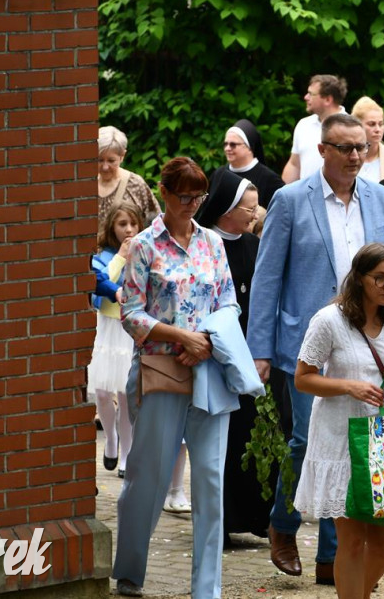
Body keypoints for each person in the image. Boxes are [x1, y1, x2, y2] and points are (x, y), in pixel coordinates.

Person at [247, 113, 384, 584]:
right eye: (344, 147)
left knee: (360, 447)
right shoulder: (289, 200)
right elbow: (267, 277)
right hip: (310, 336)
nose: (355, 156)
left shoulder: (382, 198)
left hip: (373, 338)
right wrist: (259, 349)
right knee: (308, 440)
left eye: (361, 147)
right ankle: (283, 525)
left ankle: (331, 557)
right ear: (322, 150)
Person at [112, 157, 237, 598]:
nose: (191, 204)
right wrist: (181, 336)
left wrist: (203, 339)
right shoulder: (144, 246)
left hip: (208, 371)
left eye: (198, 196)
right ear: (163, 192)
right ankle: (129, 571)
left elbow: (228, 304)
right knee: (147, 477)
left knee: (209, 479)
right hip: (158, 370)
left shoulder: (213, 244)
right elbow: (130, 313)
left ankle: (208, 588)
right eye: (183, 195)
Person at [293, 243, 384, 598]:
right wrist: (348, 386)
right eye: (380, 278)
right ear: (359, 278)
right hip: (342, 440)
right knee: (351, 539)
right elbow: (303, 378)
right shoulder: (329, 320)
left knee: (383, 541)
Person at [194, 168, 270, 543]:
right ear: (225, 208)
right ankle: (219, 522)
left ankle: (253, 518)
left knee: (249, 439)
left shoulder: (257, 246)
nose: (254, 215)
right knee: (219, 444)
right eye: (248, 208)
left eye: (256, 208)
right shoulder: (206, 244)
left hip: (251, 356)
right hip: (215, 354)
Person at [88, 202, 144, 479]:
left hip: (128, 331)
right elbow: (99, 285)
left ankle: (126, 454)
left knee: (125, 394)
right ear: (112, 227)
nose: (129, 230)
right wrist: (121, 256)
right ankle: (109, 439)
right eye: (122, 224)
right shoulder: (103, 256)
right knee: (100, 391)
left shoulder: (145, 253)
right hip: (106, 327)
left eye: (133, 224)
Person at [282, 74, 348, 183]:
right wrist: (283, 193)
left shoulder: (351, 127)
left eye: (311, 94)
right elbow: (294, 165)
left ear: (327, 99)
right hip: (305, 197)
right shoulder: (303, 125)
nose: (306, 97)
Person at [97, 125, 160, 227]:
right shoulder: (86, 183)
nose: (105, 167)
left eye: (111, 161)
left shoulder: (135, 184)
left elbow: (156, 222)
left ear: (122, 156)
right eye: (100, 160)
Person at [222, 119, 283, 210]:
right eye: (225, 144)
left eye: (233, 144)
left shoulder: (269, 179)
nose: (227, 148)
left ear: (249, 147)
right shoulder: (220, 174)